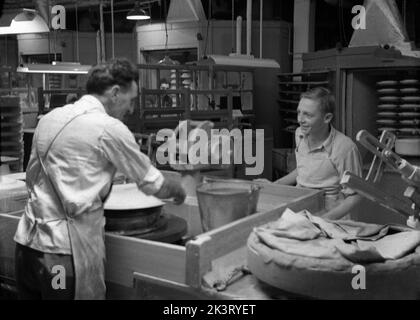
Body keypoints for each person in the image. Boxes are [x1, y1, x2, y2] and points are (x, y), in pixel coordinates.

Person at [13, 58, 186, 300]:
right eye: (131, 99)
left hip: (25, 248)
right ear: (115, 93)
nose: (132, 109)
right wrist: (179, 190)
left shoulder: (50, 119)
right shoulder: (109, 129)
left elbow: (34, 175)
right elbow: (153, 184)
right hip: (61, 256)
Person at [262, 87, 363, 220]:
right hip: (301, 210)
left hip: (330, 217)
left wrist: (323, 221)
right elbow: (303, 170)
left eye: (308, 115)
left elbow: (356, 196)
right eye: (299, 112)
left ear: (327, 118)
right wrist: (273, 186)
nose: (300, 119)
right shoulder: (300, 134)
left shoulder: (344, 148)